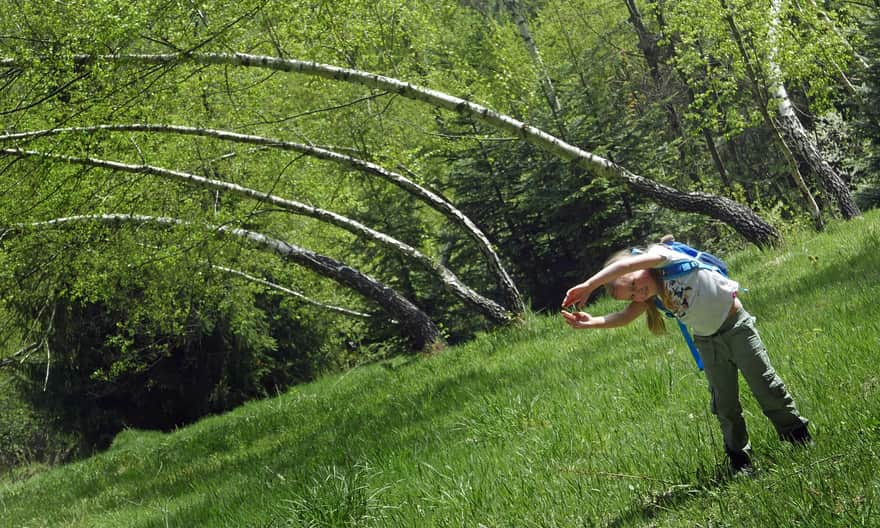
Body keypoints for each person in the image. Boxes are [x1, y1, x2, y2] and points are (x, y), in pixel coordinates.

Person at [560, 238, 811, 474]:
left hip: (737, 327)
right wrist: (591, 322)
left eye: (635, 285)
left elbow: (624, 265)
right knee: (725, 404)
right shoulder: (652, 295)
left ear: (642, 264)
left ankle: (797, 436)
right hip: (708, 342)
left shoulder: (664, 257)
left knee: (765, 383)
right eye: (632, 295)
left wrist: (589, 285)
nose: (638, 294)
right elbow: (624, 317)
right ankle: (740, 459)